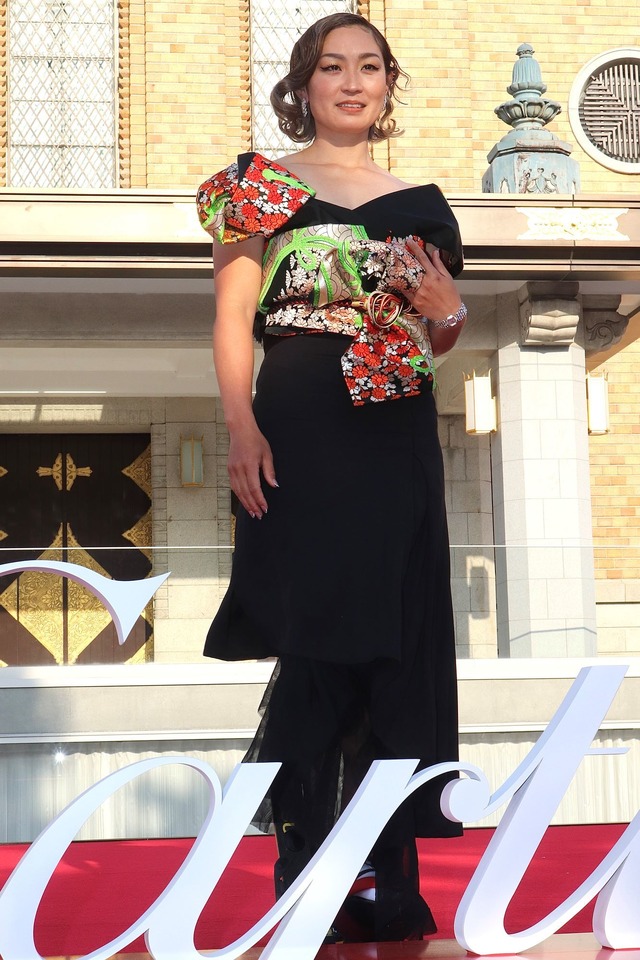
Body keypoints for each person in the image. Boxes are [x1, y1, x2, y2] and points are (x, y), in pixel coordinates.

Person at [196, 11, 465, 943]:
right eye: (332, 67)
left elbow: (436, 333)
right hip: (300, 429)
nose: (352, 82)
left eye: (370, 67)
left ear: (388, 85)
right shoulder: (260, 187)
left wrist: (451, 313)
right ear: (303, 85)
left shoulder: (421, 202)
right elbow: (232, 317)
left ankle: (386, 879)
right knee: (318, 636)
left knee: (395, 637)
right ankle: (306, 867)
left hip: (397, 432)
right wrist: (241, 428)